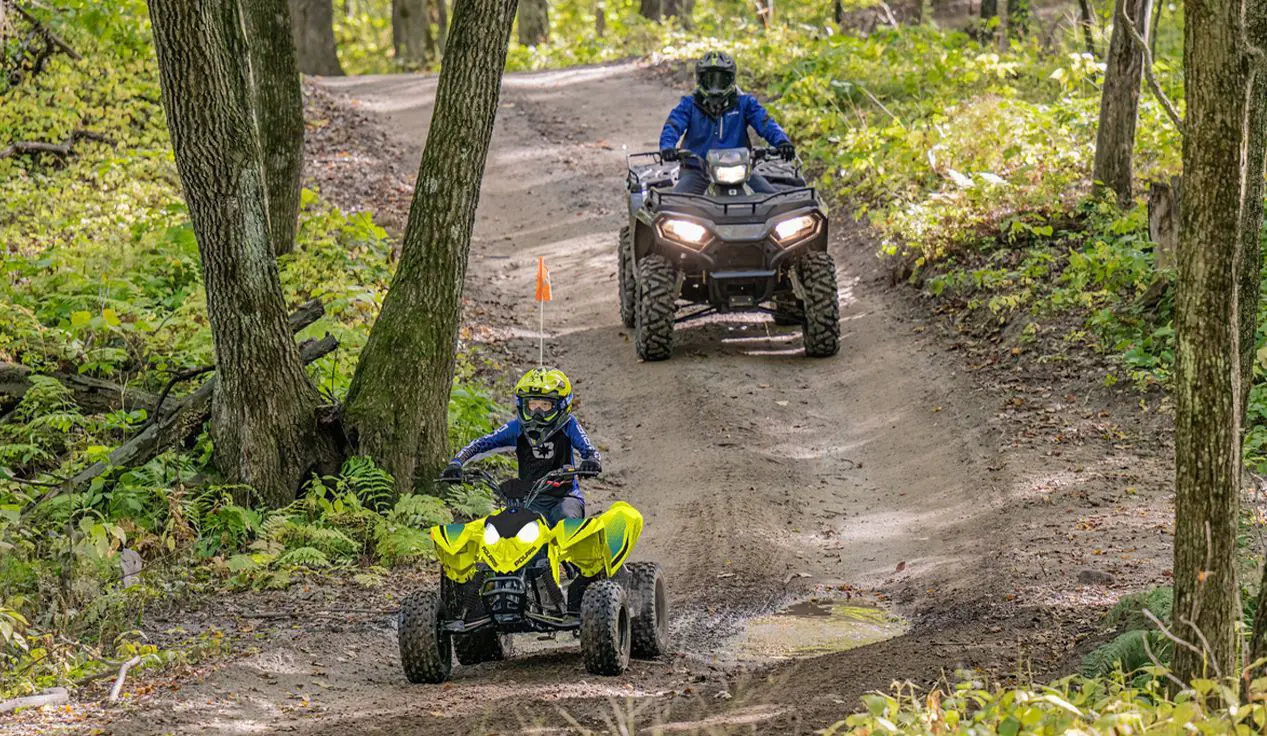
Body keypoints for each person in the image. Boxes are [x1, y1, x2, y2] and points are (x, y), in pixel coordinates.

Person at [442, 367, 600, 526]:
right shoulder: (517, 428)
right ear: (523, 405)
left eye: (545, 405)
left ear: (560, 406)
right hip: (529, 500)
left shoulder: (569, 425)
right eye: (532, 404)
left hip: (565, 497)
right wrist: (457, 462)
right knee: (507, 532)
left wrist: (592, 461)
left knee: (568, 523)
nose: (537, 412)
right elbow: (483, 443)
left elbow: (588, 449)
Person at [659, 50, 796, 196]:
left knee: (773, 201)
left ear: (731, 80)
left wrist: (782, 142)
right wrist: (667, 147)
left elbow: (766, 123)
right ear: (700, 80)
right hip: (698, 172)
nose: (715, 86)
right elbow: (673, 126)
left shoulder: (745, 103)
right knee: (674, 205)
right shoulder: (689, 104)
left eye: (721, 79)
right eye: (710, 80)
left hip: (741, 173)